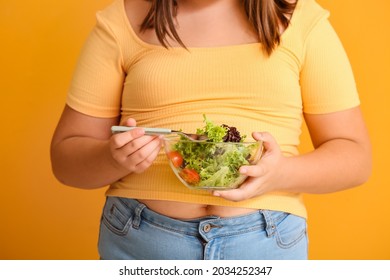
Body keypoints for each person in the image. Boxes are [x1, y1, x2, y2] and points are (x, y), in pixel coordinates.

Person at [50, 0, 372, 260]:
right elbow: (66, 161)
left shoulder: (304, 22)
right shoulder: (119, 22)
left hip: (265, 243)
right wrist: (112, 157)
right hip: (142, 241)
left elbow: (355, 158)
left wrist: (281, 172)